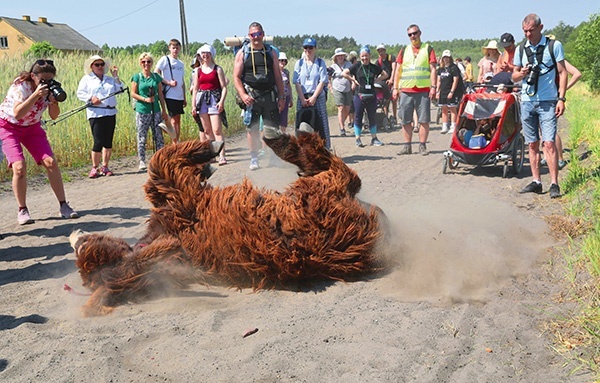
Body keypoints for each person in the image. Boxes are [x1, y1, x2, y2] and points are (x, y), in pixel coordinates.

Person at [0, 59, 78, 225]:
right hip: (8, 126)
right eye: (42, 80)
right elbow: (18, 113)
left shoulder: (49, 88)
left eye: (49, 80)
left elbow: (54, 116)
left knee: (50, 162)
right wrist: (35, 96)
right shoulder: (21, 86)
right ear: (33, 76)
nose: (46, 83)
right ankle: (22, 209)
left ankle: (63, 205)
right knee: (19, 167)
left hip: (32, 128)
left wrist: (54, 101)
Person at [512, 13, 568, 199]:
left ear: (540, 27)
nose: (528, 34)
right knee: (532, 144)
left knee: (549, 143)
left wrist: (561, 99)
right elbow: (514, 76)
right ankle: (537, 181)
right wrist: (523, 73)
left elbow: (563, 72)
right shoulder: (521, 49)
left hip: (547, 101)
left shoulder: (554, 46)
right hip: (527, 101)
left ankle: (554, 184)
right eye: (525, 31)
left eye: (531, 30)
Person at [233, 22, 285, 171]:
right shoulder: (243, 53)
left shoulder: (271, 52)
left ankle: (274, 157)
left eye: (258, 34)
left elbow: (278, 76)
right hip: (252, 96)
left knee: (272, 128)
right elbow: (236, 77)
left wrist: (281, 96)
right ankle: (254, 158)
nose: (256, 37)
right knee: (252, 129)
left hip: (269, 95)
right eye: (252, 35)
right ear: (249, 36)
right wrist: (243, 95)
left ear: (263, 34)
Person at [392, 24, 437, 155]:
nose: (413, 36)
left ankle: (422, 145)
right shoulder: (404, 50)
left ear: (420, 33)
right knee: (405, 119)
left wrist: (433, 87)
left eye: (415, 33)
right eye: (410, 34)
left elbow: (433, 69)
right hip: (406, 89)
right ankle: (407, 146)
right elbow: (397, 70)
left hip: (423, 90)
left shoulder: (428, 48)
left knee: (424, 120)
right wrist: (395, 88)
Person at [76, 54, 123, 178]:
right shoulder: (86, 79)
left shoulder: (110, 79)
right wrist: (90, 98)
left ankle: (105, 166)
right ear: (92, 66)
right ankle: (94, 167)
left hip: (110, 112)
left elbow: (120, 89)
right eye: (97, 65)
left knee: (108, 141)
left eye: (102, 64)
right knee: (98, 141)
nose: (100, 67)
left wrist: (116, 76)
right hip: (95, 113)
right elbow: (80, 93)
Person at [541, 58, 582, 169]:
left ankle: (559, 159)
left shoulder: (558, 60)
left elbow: (577, 74)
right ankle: (546, 156)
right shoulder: (544, 57)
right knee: (542, 129)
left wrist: (563, 89)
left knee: (551, 129)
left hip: (554, 97)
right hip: (544, 96)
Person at [341, 46, 386, 148]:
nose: (364, 58)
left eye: (366, 56)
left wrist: (376, 80)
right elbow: (344, 73)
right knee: (358, 117)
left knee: (372, 117)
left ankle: (374, 138)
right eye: (362, 56)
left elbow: (385, 74)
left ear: (369, 56)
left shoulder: (373, 67)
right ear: (360, 57)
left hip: (371, 95)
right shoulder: (356, 66)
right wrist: (353, 80)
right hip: (359, 95)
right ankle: (358, 139)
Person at [192, 44, 229, 165]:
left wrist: (221, 101)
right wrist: (193, 105)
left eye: (207, 53)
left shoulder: (217, 69)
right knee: (207, 131)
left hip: (214, 99)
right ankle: (212, 154)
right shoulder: (197, 70)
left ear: (211, 54)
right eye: (203, 53)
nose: (205, 55)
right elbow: (196, 89)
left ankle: (222, 155)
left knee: (217, 129)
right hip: (202, 100)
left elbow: (223, 87)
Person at [131, 52, 168, 171]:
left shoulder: (156, 77)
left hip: (155, 110)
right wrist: (145, 99)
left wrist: (164, 110)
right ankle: (142, 160)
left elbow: (161, 94)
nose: (146, 64)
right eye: (143, 62)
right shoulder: (137, 77)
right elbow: (133, 93)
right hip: (142, 110)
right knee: (142, 135)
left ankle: (160, 158)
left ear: (152, 63)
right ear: (140, 63)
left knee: (158, 135)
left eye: (148, 62)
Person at [293, 37, 331, 149]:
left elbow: (323, 81)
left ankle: (325, 148)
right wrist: (302, 98)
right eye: (306, 47)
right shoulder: (299, 63)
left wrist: (314, 97)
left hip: (317, 97)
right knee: (301, 123)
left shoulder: (320, 63)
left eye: (310, 47)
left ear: (315, 48)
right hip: (303, 96)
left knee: (322, 123)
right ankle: (301, 149)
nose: (308, 50)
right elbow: (297, 82)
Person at [154, 39, 186, 143]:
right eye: (173, 47)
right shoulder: (165, 59)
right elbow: (156, 73)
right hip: (170, 94)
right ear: (169, 48)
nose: (175, 50)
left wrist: (184, 97)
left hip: (179, 95)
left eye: (177, 48)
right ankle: (174, 142)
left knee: (177, 120)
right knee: (173, 119)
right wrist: (168, 82)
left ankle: (177, 143)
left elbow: (182, 81)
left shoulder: (181, 63)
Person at [436, 50, 464, 135]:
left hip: (452, 91)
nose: (446, 59)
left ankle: (453, 126)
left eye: (447, 57)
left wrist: (452, 91)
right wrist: (437, 91)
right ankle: (445, 125)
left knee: (452, 108)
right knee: (444, 108)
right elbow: (439, 80)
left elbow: (456, 80)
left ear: (450, 58)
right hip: (443, 91)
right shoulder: (441, 69)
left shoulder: (454, 68)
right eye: (444, 57)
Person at [329, 47, 353, 137]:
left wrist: (353, 83)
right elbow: (328, 79)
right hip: (337, 88)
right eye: (338, 56)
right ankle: (342, 128)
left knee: (347, 109)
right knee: (341, 107)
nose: (340, 57)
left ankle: (341, 122)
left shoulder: (349, 64)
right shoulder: (332, 67)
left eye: (342, 55)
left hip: (348, 88)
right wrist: (331, 88)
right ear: (336, 57)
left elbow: (353, 74)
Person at [375, 44, 393, 119]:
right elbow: (376, 72)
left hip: (391, 79)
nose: (381, 53)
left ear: (385, 51)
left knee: (393, 100)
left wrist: (391, 79)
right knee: (383, 101)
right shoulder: (378, 61)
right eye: (379, 51)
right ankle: (384, 116)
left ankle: (394, 116)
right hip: (382, 82)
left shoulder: (390, 58)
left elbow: (394, 69)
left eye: (382, 51)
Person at [278, 52, 293, 132]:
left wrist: (291, 98)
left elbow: (289, 85)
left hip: (286, 96)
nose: (283, 62)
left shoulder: (286, 72)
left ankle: (283, 135)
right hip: (277, 97)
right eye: (281, 60)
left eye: (284, 61)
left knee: (284, 117)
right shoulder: (274, 72)